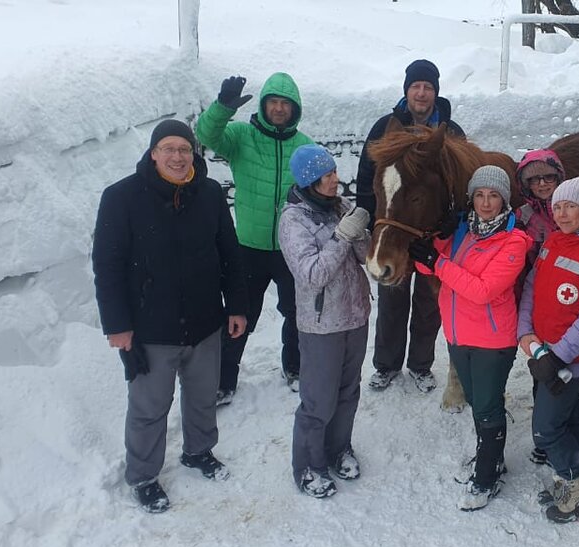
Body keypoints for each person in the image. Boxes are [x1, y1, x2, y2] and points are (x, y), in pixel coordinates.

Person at [92, 119, 247, 513]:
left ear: (194, 153)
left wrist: (237, 306)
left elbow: (229, 253)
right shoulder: (122, 197)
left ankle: (199, 451)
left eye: (185, 149)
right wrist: (118, 325)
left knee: (202, 396)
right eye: (169, 149)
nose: (178, 157)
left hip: (205, 321)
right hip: (151, 328)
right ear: (154, 153)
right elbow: (107, 266)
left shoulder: (209, 193)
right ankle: (144, 476)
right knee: (149, 407)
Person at [407, 165, 531, 511]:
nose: (486, 203)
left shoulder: (513, 241)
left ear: (504, 200)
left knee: (488, 407)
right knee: (478, 402)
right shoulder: (465, 231)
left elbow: (483, 290)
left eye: (493, 196)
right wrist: (435, 241)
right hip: (458, 335)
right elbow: (426, 265)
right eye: (479, 195)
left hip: (493, 340)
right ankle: (492, 457)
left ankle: (487, 477)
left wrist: (438, 262)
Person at [195, 72, 315, 403]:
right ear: (263, 105)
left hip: (292, 247)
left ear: (295, 108)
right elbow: (205, 134)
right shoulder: (240, 136)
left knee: (297, 311)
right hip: (248, 247)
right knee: (239, 314)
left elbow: (319, 190)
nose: (279, 108)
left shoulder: (304, 145)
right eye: (273, 102)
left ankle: (295, 367)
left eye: (285, 103)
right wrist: (222, 106)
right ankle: (223, 380)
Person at [356, 59, 465, 393]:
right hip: (395, 231)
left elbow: (461, 183)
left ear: (435, 92)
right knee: (392, 299)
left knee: (429, 305)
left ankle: (420, 364)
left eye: (428, 87)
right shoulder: (385, 127)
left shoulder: (451, 131)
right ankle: (387, 364)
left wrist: (453, 220)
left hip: (432, 236)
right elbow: (368, 177)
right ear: (406, 91)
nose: (421, 93)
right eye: (416, 86)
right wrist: (371, 219)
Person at [517, 177, 579, 523]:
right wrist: (525, 331)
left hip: (568, 360)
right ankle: (569, 475)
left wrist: (557, 356)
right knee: (570, 419)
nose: (561, 214)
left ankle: (578, 487)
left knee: (546, 428)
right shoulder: (553, 241)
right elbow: (532, 287)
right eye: (557, 206)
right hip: (544, 354)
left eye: (570, 206)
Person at [278, 144, 372, 499]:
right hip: (321, 324)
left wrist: (361, 233)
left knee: (348, 391)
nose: (335, 180)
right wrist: (342, 236)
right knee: (318, 400)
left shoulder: (341, 206)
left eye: (334, 172)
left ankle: (338, 448)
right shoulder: (293, 220)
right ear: (309, 181)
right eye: (327, 175)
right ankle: (308, 465)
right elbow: (312, 274)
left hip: (355, 315)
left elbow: (365, 257)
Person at [513, 148, 567, 467]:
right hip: (537, 297)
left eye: (549, 177)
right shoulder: (522, 216)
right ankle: (545, 436)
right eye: (535, 180)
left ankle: (566, 435)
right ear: (526, 184)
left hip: (568, 298)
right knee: (542, 367)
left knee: (571, 370)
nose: (543, 184)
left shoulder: (572, 209)